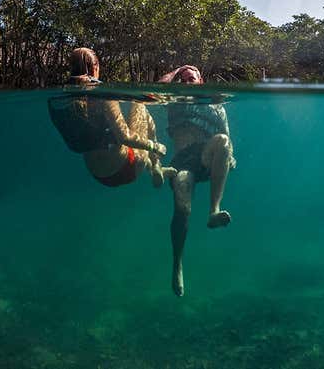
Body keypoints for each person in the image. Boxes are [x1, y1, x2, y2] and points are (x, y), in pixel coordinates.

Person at [158, 65, 236, 296]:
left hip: (205, 156)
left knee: (223, 142)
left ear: (201, 81)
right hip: (183, 161)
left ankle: (214, 211)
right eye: (182, 79)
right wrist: (179, 69)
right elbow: (159, 86)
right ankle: (177, 264)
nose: (186, 83)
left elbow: (227, 136)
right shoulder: (174, 99)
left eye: (191, 79)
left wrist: (229, 155)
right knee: (183, 207)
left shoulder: (216, 104)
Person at [48, 48, 174, 188]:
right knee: (140, 105)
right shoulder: (102, 93)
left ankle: (152, 167)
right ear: (95, 67)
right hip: (127, 169)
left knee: (123, 144)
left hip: (97, 174)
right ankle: (156, 164)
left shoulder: (58, 99)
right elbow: (125, 137)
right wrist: (155, 146)